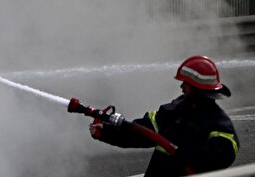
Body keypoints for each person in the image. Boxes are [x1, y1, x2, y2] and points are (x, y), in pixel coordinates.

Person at [90, 55, 239, 176]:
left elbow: (224, 154)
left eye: (185, 83)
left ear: (196, 88)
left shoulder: (217, 122)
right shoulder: (175, 110)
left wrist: (185, 152)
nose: (181, 87)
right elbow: (142, 132)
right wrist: (105, 132)